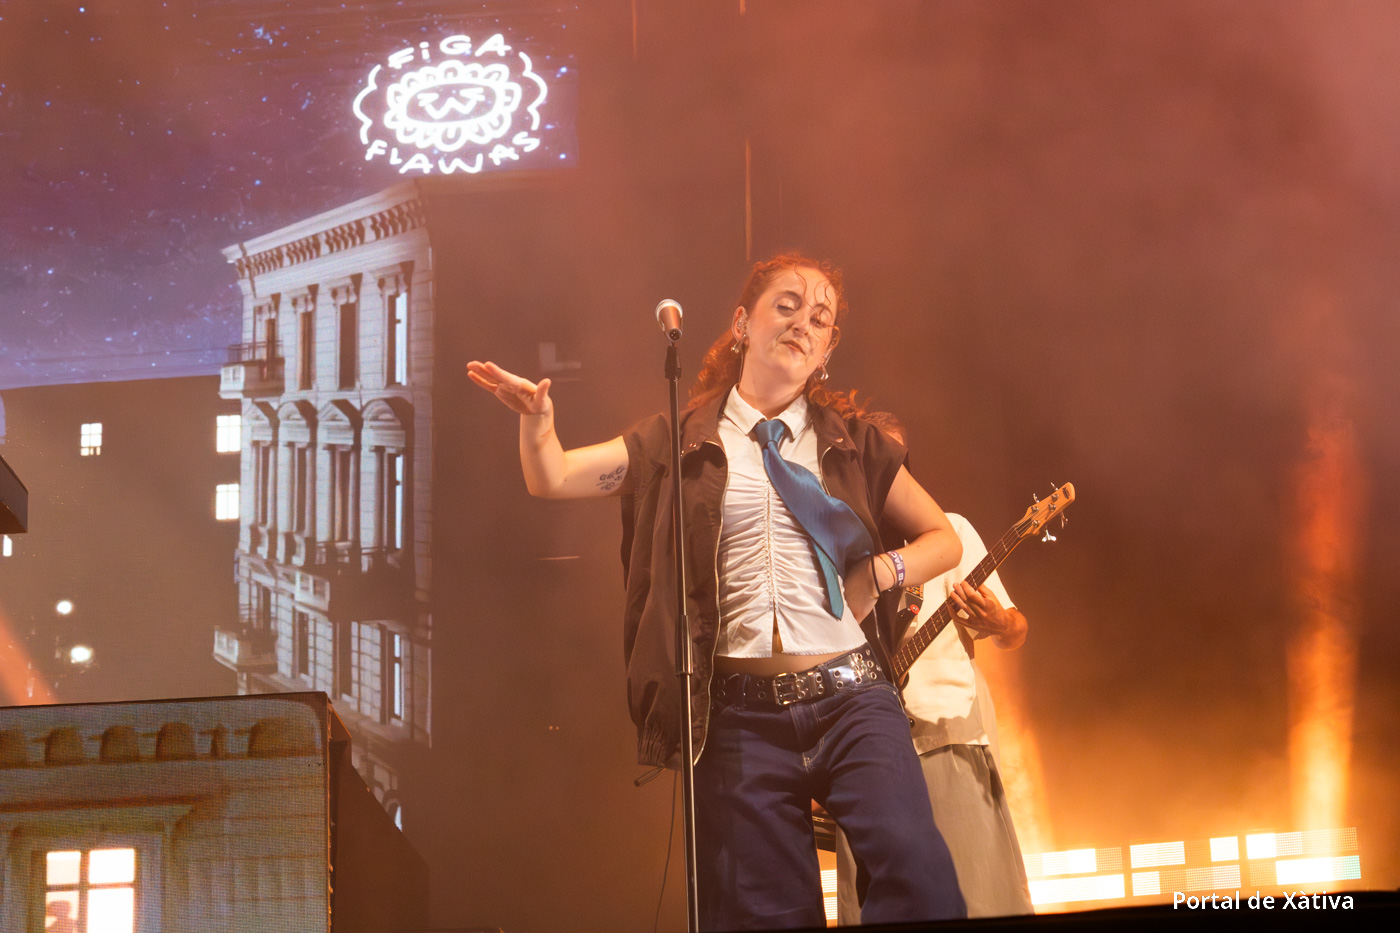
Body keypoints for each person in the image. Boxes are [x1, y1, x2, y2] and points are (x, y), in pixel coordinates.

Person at [468, 253, 967, 929]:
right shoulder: (676, 439)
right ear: (741, 323)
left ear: (827, 350)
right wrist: (538, 421)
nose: (804, 322)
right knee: (766, 913)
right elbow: (552, 476)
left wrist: (881, 571)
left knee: (918, 873)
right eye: (786, 305)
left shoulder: (853, 443)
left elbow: (945, 539)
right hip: (740, 720)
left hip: (852, 700)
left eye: (820, 318)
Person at [836, 512, 1035, 922]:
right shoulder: (837, 540)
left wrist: (998, 621)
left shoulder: (951, 532)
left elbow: (1016, 630)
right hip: (863, 752)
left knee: (979, 896)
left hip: (945, 739)